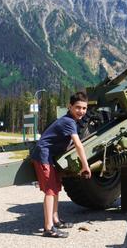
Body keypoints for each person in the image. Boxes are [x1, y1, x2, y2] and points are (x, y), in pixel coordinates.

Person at [30, 91, 92, 238]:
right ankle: (48, 228)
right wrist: (85, 165)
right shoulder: (69, 122)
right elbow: (78, 145)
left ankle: (56, 220)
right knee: (50, 191)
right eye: (77, 107)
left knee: (56, 188)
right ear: (69, 106)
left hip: (50, 157)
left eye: (84, 108)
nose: (81, 111)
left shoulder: (70, 121)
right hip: (43, 156)